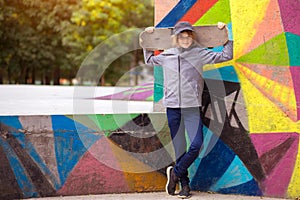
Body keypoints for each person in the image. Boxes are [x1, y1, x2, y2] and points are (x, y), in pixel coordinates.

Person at [142, 21, 233, 199]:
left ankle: (175, 173)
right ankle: (185, 185)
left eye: (188, 35)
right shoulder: (167, 55)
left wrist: (226, 34)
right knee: (179, 148)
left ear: (192, 37)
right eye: (182, 36)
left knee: (196, 144)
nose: (185, 39)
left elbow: (225, 55)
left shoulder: (199, 54)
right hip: (173, 108)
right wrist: (149, 37)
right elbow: (149, 59)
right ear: (176, 38)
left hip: (192, 107)